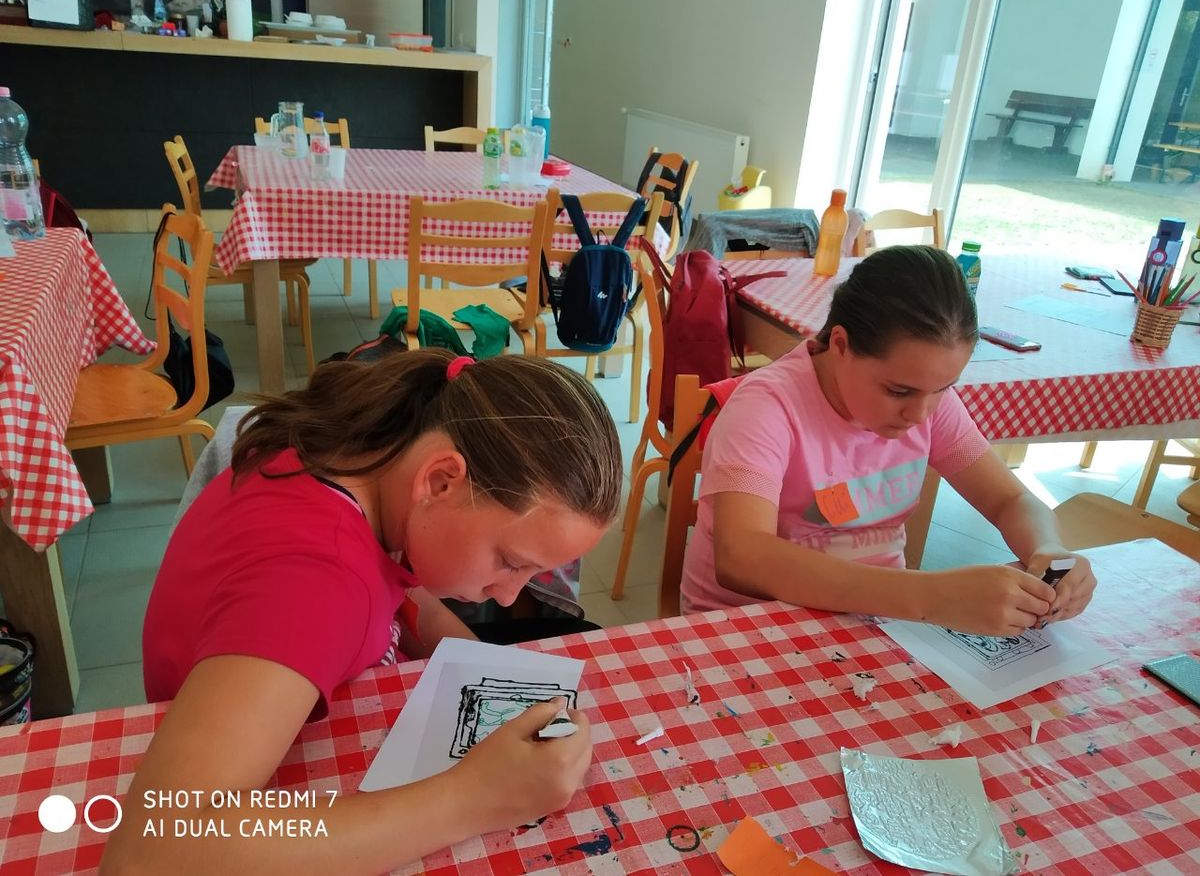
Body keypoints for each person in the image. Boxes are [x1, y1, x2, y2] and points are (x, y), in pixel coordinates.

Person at [100, 350, 623, 874]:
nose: (509, 596)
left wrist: (485, 668)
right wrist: (475, 797)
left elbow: (401, 593)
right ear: (440, 481)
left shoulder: (358, 454)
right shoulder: (316, 583)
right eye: (509, 562)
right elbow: (151, 851)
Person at [680, 245, 1096, 636]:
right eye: (898, 391)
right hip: (751, 626)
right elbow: (743, 556)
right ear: (840, 345)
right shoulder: (766, 407)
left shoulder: (928, 402)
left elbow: (1009, 499)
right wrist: (932, 596)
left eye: (943, 389)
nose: (920, 415)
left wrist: (1048, 549)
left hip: (876, 620)